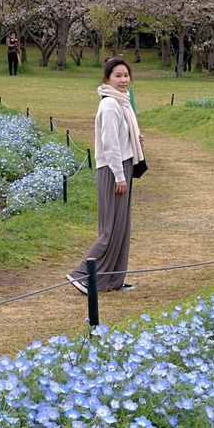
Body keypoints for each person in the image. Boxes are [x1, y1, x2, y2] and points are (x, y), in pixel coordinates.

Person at [67, 58, 145, 295]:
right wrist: (119, 176)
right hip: (113, 170)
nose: (123, 80)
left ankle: (111, 281)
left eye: (126, 75)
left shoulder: (123, 103)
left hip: (123, 166)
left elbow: (120, 136)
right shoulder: (110, 105)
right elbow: (110, 144)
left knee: (122, 228)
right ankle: (81, 274)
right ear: (107, 79)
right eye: (118, 76)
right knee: (110, 229)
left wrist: (135, 140)